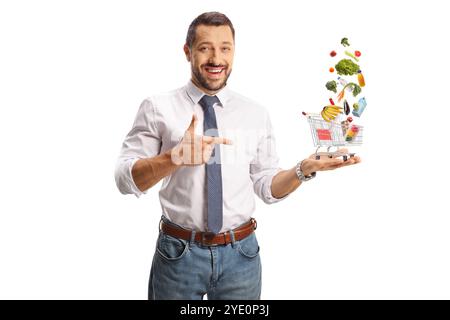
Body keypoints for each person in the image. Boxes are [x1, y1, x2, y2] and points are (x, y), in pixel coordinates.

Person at [114, 11, 361, 300]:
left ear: (234, 51)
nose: (216, 59)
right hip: (178, 254)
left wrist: (302, 169)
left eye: (225, 48)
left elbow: (267, 187)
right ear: (187, 51)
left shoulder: (254, 113)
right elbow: (124, 179)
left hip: (241, 255)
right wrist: (173, 158)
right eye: (205, 48)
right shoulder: (158, 107)